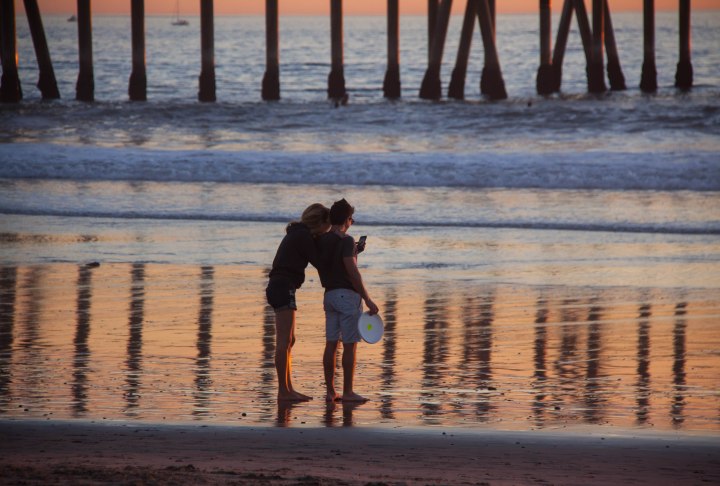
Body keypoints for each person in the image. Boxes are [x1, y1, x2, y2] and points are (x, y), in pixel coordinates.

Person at [316, 198, 379, 403]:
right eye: (351, 219)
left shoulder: (322, 240)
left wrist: (354, 252)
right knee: (350, 344)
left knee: (331, 343)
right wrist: (368, 299)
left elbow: (331, 262)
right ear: (347, 220)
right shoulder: (346, 240)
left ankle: (330, 391)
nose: (352, 222)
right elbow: (352, 272)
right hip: (347, 296)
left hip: (329, 295)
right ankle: (349, 392)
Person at [266, 203, 330, 401]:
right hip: (283, 287)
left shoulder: (298, 234)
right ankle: (283, 391)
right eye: (327, 226)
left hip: (282, 286)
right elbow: (320, 261)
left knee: (289, 341)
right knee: (283, 342)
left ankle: (288, 388)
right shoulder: (302, 236)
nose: (327, 230)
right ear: (320, 223)